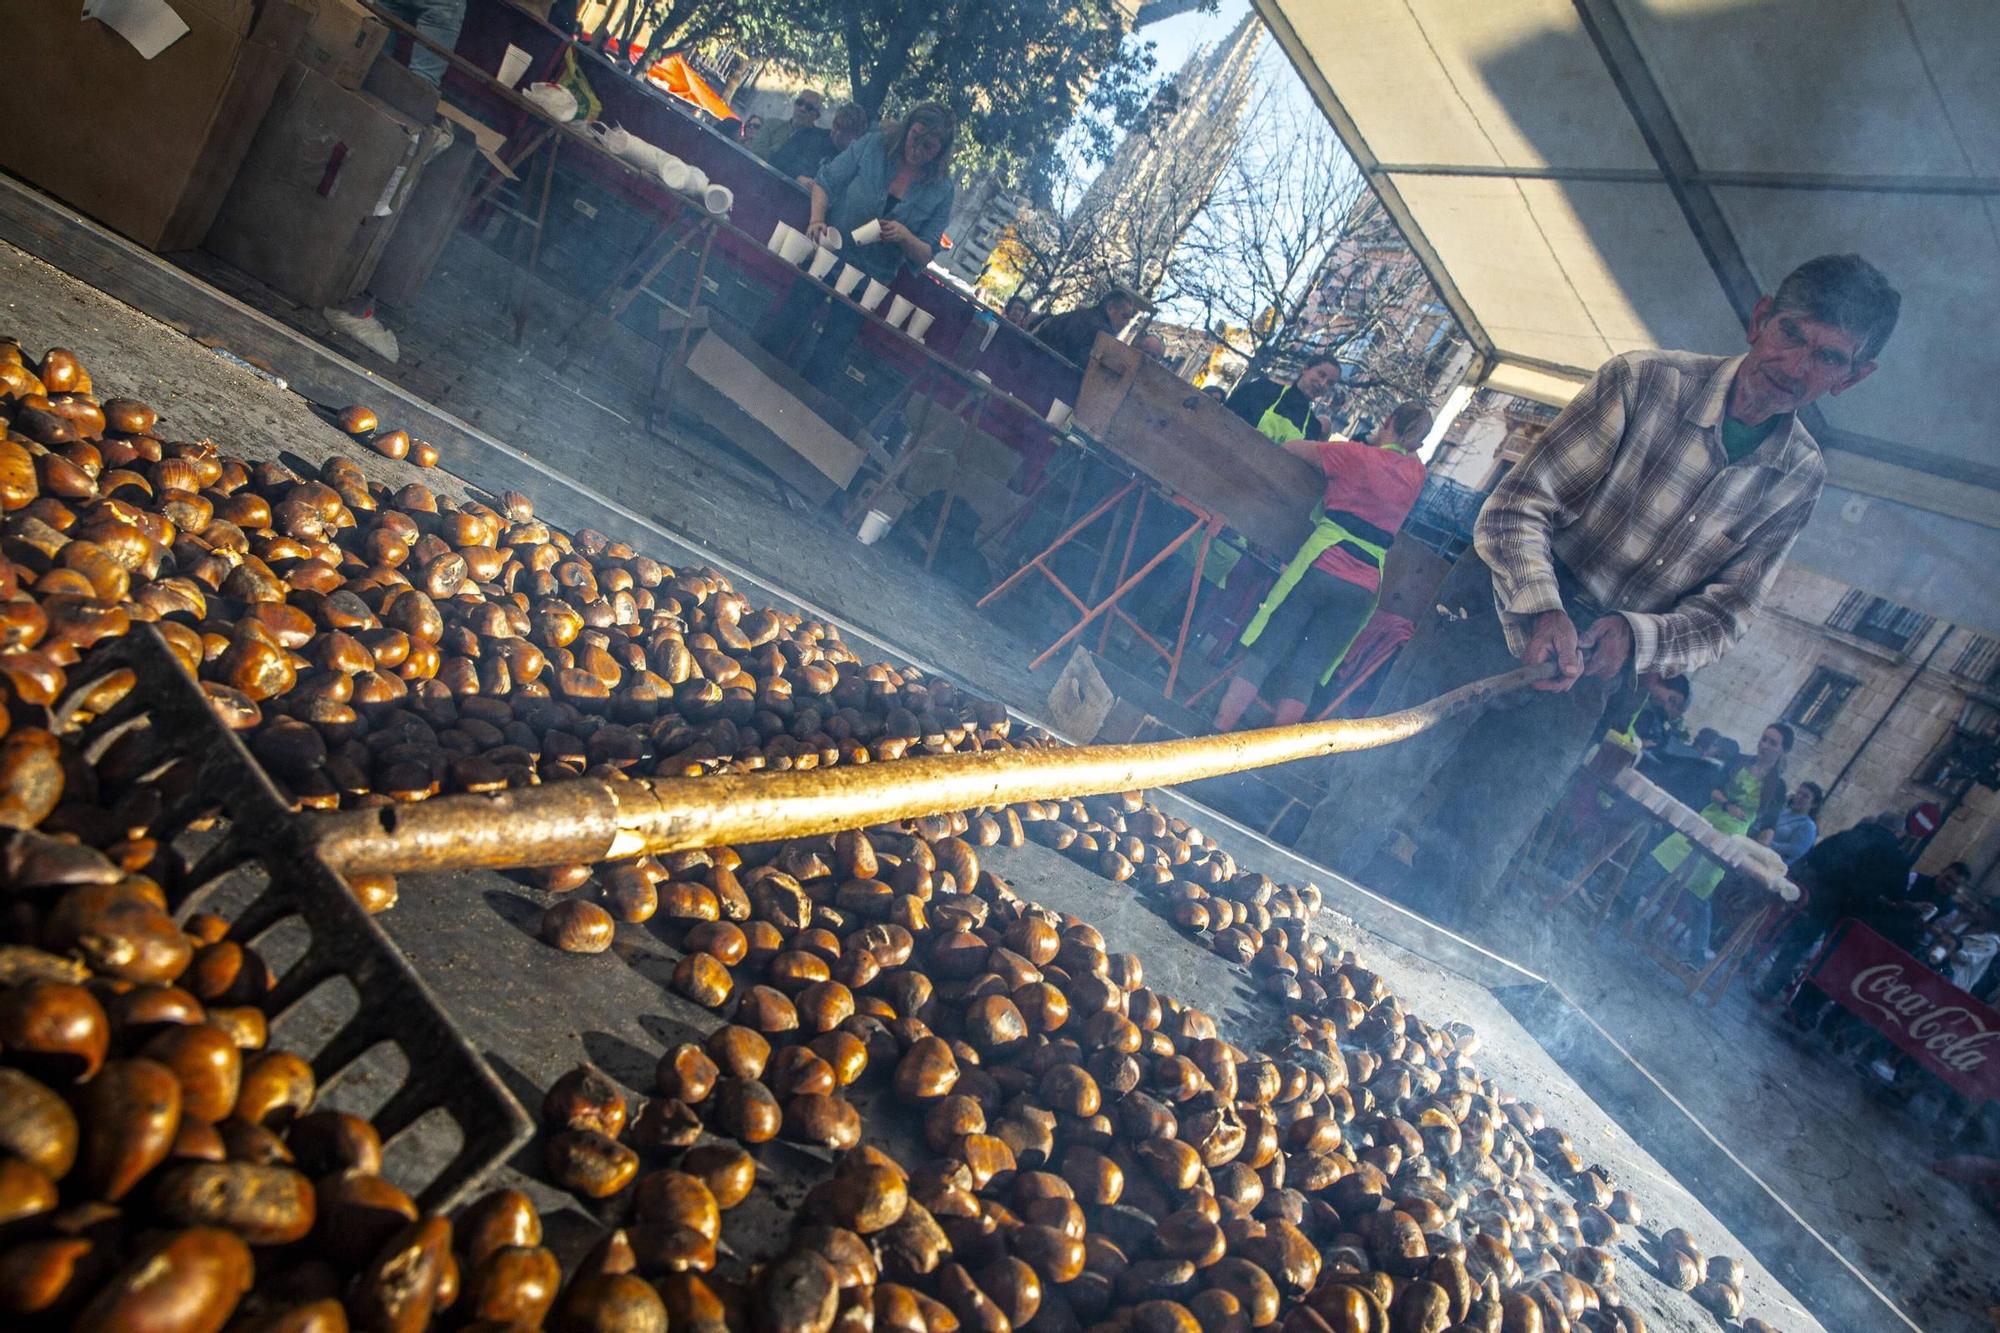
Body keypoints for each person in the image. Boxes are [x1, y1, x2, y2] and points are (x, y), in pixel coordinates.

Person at [1295, 254, 1901, 929]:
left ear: (1855, 377)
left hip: (1591, 672)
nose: (1795, 365)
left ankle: (1394, 986)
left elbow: (1728, 614)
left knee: (1474, 854)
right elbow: (1518, 505)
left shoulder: (1799, 478)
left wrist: (1636, 638)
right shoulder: (1646, 381)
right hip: (1490, 610)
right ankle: (1285, 918)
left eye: (1828, 357)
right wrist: (1544, 606)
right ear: (1761, 318)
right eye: (1791, 333)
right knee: (1371, 789)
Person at [1215, 403, 1434, 730]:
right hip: (1366, 582)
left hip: (1323, 564)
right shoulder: (1416, 476)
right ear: (1418, 443)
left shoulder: (1355, 456)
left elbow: (1290, 449)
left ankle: (1218, 726)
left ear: (1386, 420)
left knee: (1265, 650)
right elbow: (1408, 454)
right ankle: (1271, 754)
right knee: (1306, 671)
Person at [760, 103, 958, 395]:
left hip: (872, 278)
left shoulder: (942, 190)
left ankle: (797, 411)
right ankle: (753, 380)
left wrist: (905, 236)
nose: (916, 149)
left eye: (928, 147)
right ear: (907, 128)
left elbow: (926, 252)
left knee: (832, 349)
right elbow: (826, 181)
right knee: (790, 318)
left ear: (940, 153)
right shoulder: (874, 146)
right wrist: (817, 219)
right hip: (831, 250)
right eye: (914, 137)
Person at [1630, 722, 1792, 963]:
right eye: (1764, 739)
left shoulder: (1777, 786)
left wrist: (1759, 851)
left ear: (1782, 751)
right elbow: (1714, 789)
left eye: (1773, 743)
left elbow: (1769, 825)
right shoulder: (1740, 762)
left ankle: (1697, 954)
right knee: (1659, 861)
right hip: (1707, 819)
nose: (1765, 746)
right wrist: (1727, 805)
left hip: (1732, 837)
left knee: (1699, 892)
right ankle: (1623, 900)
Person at [1224, 357, 1341, 444]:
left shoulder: (1313, 427)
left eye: (1330, 383)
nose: (1322, 383)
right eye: (1321, 374)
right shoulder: (1261, 389)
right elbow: (1223, 418)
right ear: (1306, 369)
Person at [1031, 287, 1144, 369]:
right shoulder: (1102, 333)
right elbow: (1086, 365)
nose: (1125, 323)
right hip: (1051, 377)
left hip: (1032, 361)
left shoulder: (1077, 314)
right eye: (1124, 316)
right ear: (1110, 308)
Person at [771, 102, 866, 182]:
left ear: (857, 135)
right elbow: (777, 160)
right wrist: (797, 177)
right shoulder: (808, 135)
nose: (838, 134)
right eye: (836, 126)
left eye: (845, 131)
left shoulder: (857, 165)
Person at [754, 89, 825, 161]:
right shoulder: (771, 124)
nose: (802, 108)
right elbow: (757, 152)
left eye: (809, 107)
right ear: (795, 104)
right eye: (800, 103)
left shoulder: (817, 142)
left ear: (816, 116)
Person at [1770, 780, 1822, 866]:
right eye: (1799, 793)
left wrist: (1769, 843)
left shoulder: (1808, 826)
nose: (1799, 797)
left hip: (1775, 864)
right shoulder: (1783, 811)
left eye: (1806, 796)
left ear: (1813, 804)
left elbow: (1795, 850)